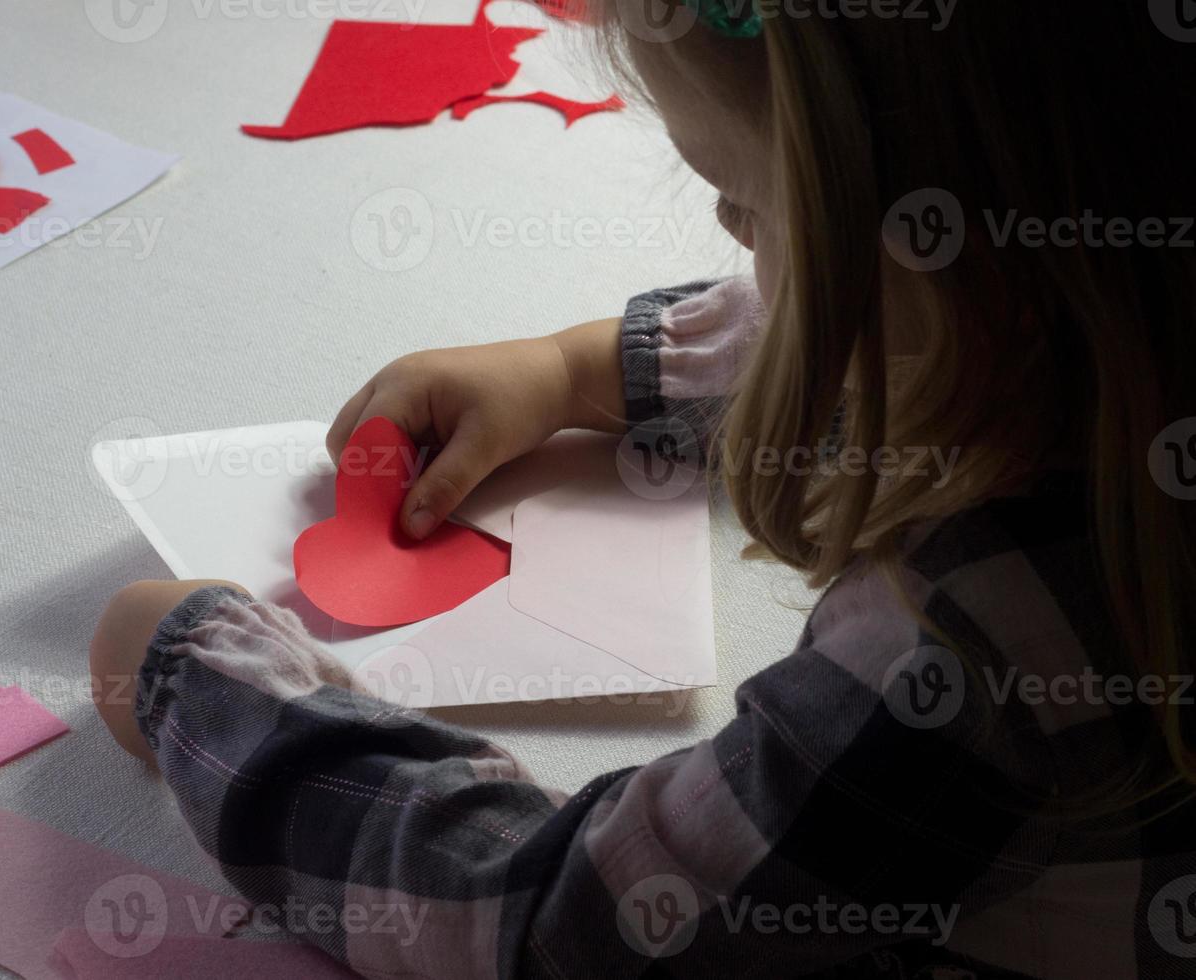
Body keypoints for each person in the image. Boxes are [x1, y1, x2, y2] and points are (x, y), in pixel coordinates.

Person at [91, 2, 1196, 975]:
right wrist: (578, 370)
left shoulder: (971, 649)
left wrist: (208, 690)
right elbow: (897, 316)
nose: (732, 237)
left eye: (747, 206)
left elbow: (555, 925)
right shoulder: (1107, 313)